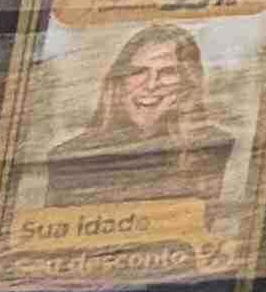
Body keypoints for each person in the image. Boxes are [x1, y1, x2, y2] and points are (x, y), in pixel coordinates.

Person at [37, 22, 232, 219]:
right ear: (120, 82)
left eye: (167, 72)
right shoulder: (69, 156)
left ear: (187, 82)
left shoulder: (214, 149)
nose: (151, 85)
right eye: (138, 72)